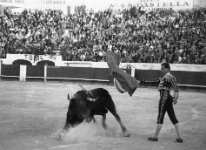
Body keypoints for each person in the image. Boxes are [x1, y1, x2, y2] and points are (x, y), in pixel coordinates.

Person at [139, 63, 183, 143]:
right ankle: (179, 138)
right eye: (161, 68)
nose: (161, 70)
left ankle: (155, 137)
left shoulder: (170, 77)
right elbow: (153, 83)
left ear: (167, 68)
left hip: (164, 98)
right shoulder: (163, 78)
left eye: (162, 68)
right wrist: (141, 82)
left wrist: (175, 98)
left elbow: (175, 88)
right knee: (172, 116)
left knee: (160, 116)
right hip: (168, 98)